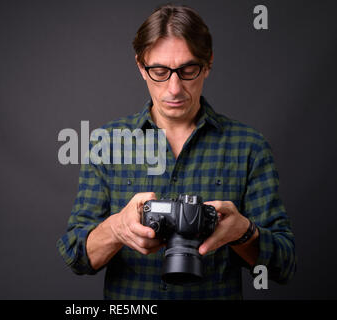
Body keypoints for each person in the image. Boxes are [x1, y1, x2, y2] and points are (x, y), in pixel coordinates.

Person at [56, 4, 296, 299]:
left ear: (207, 65)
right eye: (159, 71)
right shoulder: (106, 143)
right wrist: (117, 228)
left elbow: (284, 265)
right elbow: (77, 257)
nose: (174, 88)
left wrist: (244, 233)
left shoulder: (248, 146)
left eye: (187, 70)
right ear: (141, 67)